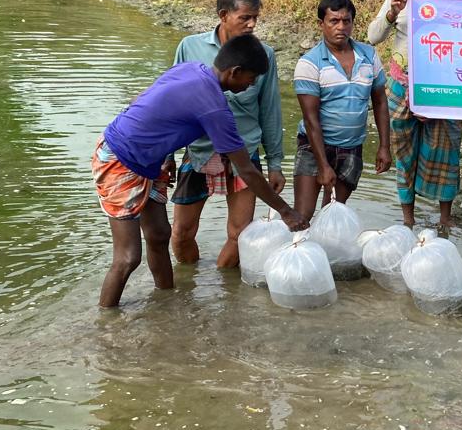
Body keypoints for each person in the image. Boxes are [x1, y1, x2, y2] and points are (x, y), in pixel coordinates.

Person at [92, 34, 306, 308]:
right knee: (128, 257)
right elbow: (247, 170)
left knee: (159, 235)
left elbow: (142, 98)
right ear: (234, 72)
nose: (252, 84)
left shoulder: (191, 68)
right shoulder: (214, 107)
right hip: (120, 159)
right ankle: (106, 322)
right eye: (251, 78)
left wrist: (160, 151)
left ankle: (167, 302)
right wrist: (286, 212)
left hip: (147, 160)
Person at [169, 0, 285, 269]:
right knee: (181, 233)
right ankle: (189, 280)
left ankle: (223, 284)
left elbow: (270, 111)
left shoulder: (264, 55)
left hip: (244, 149)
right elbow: (172, 101)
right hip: (199, 149)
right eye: (245, 17)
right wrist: (165, 155)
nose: (252, 24)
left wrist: (275, 164)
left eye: (255, 18)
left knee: (240, 235)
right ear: (223, 16)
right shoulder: (190, 47)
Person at [367, 0, 461, 231]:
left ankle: (445, 219)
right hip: (401, 85)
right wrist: (391, 14)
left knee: (445, 150)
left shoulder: (459, 6)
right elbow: (373, 37)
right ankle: (408, 219)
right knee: (403, 150)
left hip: (443, 88)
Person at [294, 0, 392, 215]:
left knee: (334, 214)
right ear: (321, 24)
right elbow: (310, 119)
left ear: (352, 23)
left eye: (346, 21)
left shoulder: (368, 55)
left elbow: (380, 102)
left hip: (351, 146)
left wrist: (384, 146)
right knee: (302, 215)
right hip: (313, 147)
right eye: (334, 21)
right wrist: (323, 165)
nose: (341, 27)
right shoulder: (309, 63)